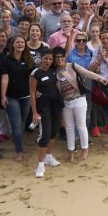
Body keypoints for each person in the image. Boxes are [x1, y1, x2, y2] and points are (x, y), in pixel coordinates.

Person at [54, 50, 107, 162]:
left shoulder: (72, 66)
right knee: (69, 128)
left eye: (61, 56)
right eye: (57, 57)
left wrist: (99, 78)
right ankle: (71, 151)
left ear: (64, 57)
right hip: (65, 103)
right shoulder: (54, 72)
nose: (59, 59)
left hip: (78, 100)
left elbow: (86, 73)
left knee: (81, 126)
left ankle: (84, 150)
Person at [29, 48, 63, 178]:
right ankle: (40, 165)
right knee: (45, 135)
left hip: (56, 105)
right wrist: (34, 112)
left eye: (50, 59)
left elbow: (63, 54)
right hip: (44, 108)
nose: (48, 61)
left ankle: (49, 156)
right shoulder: (35, 73)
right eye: (46, 59)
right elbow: (32, 93)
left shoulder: (53, 70)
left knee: (54, 132)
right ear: (40, 58)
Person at [0, 35, 31, 162]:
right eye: (17, 42)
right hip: (12, 97)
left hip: (26, 96)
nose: (20, 44)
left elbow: (32, 79)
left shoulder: (28, 60)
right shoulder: (6, 60)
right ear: (12, 45)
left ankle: (19, 142)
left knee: (22, 123)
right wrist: (3, 96)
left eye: (22, 42)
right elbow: (5, 78)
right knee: (16, 124)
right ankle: (19, 151)